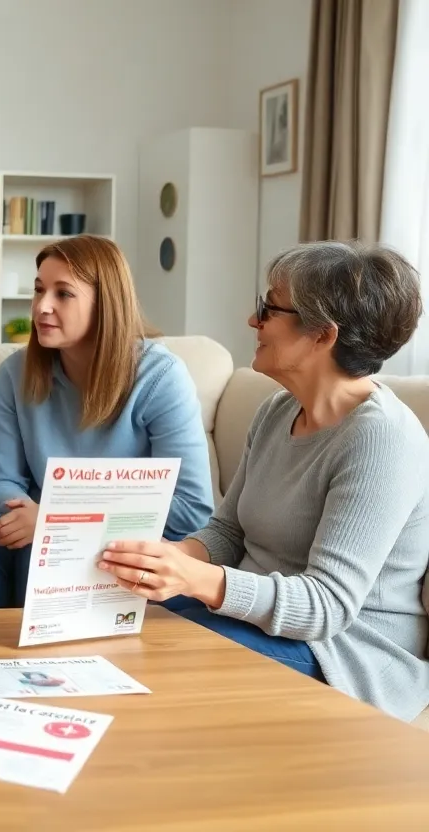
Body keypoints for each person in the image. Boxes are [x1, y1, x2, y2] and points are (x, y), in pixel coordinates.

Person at [98, 240, 429, 722]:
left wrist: (197, 580)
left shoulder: (381, 439)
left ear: (322, 335)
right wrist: (170, 558)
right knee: (117, 630)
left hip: (345, 653)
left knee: (158, 663)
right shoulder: (277, 410)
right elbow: (228, 532)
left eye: (269, 308)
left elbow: (327, 607)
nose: (253, 321)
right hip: (253, 620)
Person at [0, 235, 214, 609]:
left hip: (130, 538)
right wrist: (31, 518)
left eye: (63, 294)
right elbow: (1, 479)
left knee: (41, 547)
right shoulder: (15, 373)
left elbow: (190, 507)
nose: (41, 307)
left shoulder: (160, 376)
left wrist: (58, 522)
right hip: (40, 520)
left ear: (106, 302)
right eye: (39, 290)